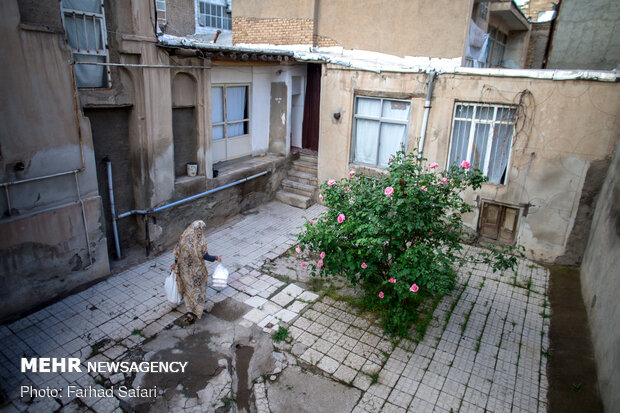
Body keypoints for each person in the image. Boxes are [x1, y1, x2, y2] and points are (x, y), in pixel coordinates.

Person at [171, 220, 222, 325]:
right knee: (197, 290)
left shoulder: (183, 238)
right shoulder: (200, 241)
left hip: (184, 271)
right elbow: (205, 256)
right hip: (197, 272)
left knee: (187, 290)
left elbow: (177, 253)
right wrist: (216, 258)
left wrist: (175, 264)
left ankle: (189, 311)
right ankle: (197, 311)